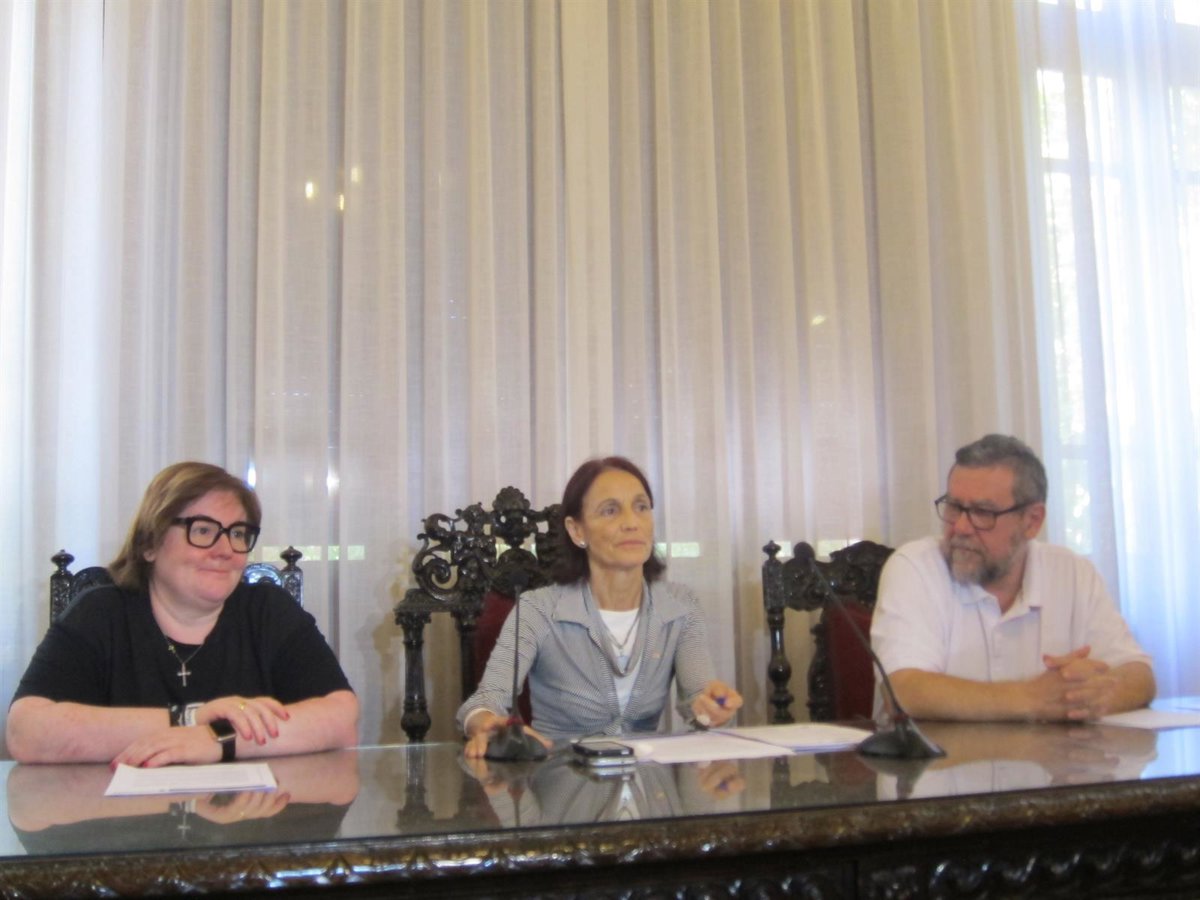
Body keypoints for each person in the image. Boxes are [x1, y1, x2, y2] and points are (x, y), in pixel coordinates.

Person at [6, 461, 359, 766]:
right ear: (149, 543)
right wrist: (187, 720)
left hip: (246, 817)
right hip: (122, 819)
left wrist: (218, 740)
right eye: (203, 530)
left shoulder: (269, 610)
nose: (225, 549)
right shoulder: (100, 613)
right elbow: (26, 732)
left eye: (238, 534)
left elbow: (341, 718)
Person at [458, 456, 742, 757]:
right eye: (610, 510)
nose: (632, 522)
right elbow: (485, 701)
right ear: (577, 531)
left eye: (641, 507)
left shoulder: (680, 605)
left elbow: (699, 699)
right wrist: (486, 723)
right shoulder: (538, 609)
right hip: (560, 777)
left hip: (648, 780)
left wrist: (712, 708)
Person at [870, 434, 1155, 723]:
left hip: (1050, 752)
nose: (961, 527)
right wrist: (1034, 698)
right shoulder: (915, 567)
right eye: (954, 507)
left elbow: (1140, 675)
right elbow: (903, 691)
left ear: (1032, 521)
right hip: (934, 753)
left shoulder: (1072, 573)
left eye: (982, 512)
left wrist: (1091, 694)